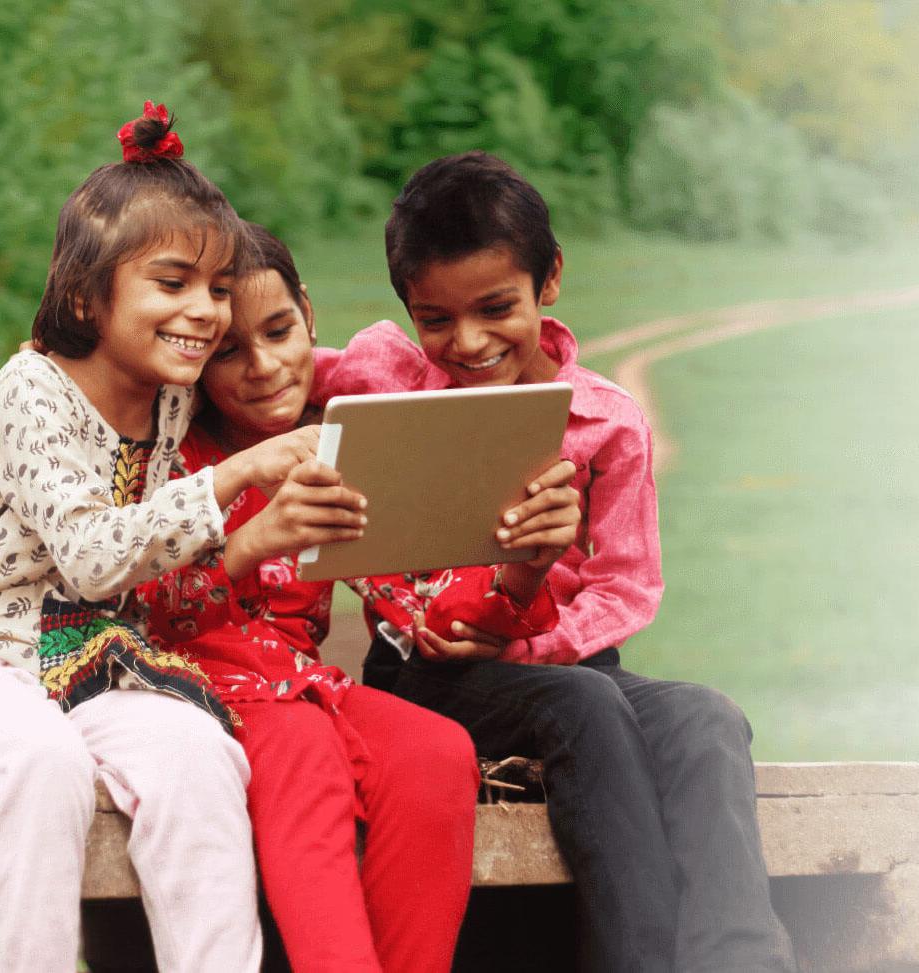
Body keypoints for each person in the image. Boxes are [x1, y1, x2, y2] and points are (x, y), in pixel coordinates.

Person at [312, 151, 798, 973]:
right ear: (409, 313)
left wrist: (526, 647)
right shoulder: (387, 380)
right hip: (425, 671)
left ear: (549, 281)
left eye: (495, 307)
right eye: (435, 319)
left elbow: (624, 586)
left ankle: (741, 960)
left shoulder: (604, 423)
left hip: (567, 663)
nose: (466, 342)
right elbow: (275, 364)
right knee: (582, 705)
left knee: (707, 715)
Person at [0, 103, 305, 973]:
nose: (205, 312)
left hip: (87, 665)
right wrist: (230, 478)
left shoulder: (170, 390)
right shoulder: (31, 388)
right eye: (173, 282)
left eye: (217, 288)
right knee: (44, 762)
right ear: (85, 295)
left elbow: (307, 370)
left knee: (200, 757)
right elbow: (94, 554)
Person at [132, 222, 584, 972]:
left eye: (279, 331)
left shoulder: (340, 442)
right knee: (305, 754)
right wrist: (250, 541)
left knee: (438, 750)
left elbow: (427, 608)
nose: (266, 367)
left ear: (307, 313)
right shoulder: (172, 452)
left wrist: (525, 568)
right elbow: (135, 607)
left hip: (303, 688)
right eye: (228, 352)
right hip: (189, 689)